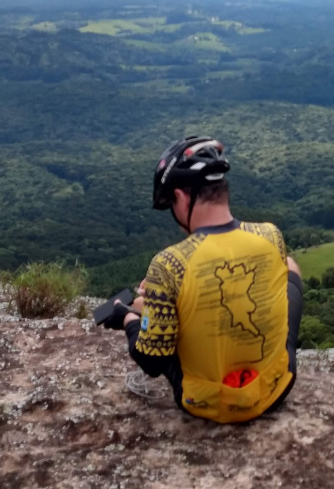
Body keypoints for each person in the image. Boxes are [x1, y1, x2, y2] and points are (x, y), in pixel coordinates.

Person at [103, 135, 304, 423]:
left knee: (164, 315)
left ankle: (139, 307)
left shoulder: (168, 265)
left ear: (181, 198)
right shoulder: (271, 235)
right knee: (289, 266)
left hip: (206, 404)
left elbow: (151, 359)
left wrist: (128, 318)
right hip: (275, 389)